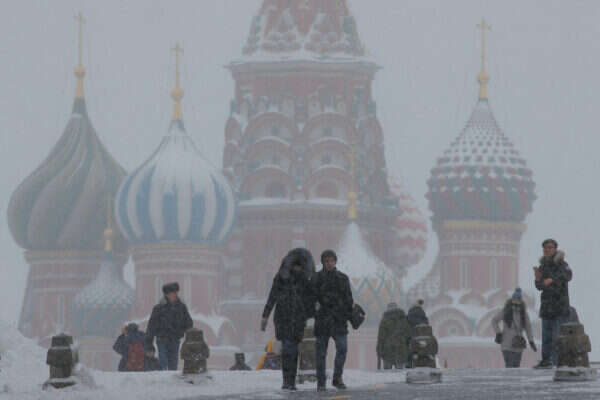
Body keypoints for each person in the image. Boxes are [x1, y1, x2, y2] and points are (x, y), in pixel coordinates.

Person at [261, 248, 316, 391]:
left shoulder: (305, 281)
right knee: (287, 349)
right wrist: (265, 315)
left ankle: (290, 380)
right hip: (283, 318)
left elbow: (312, 300)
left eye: (299, 266)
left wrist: (313, 315)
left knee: (293, 349)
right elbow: (272, 296)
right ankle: (287, 380)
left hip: (298, 319)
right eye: (295, 265)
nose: (297, 268)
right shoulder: (282, 278)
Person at [313, 249, 353, 392]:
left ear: (335, 261)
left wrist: (344, 311)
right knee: (321, 354)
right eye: (326, 261)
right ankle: (321, 381)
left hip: (338, 320)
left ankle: (337, 378)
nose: (329, 263)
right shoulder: (316, 278)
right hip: (322, 321)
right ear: (323, 263)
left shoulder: (342, 278)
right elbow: (311, 298)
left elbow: (349, 299)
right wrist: (316, 307)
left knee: (342, 348)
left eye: (331, 260)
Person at [533, 239, 572, 369]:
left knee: (557, 336)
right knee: (546, 337)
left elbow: (568, 275)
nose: (547, 250)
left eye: (550, 247)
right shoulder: (542, 266)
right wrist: (538, 279)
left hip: (560, 306)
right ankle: (546, 360)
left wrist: (552, 279)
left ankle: (557, 361)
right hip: (546, 306)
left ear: (555, 249)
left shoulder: (562, 264)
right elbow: (539, 286)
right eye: (545, 248)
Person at [146, 282, 193, 371]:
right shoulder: (159, 308)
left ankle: (171, 378)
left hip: (175, 340)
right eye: (173, 292)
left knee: (173, 364)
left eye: (176, 292)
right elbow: (151, 327)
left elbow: (189, 323)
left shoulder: (181, 307)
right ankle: (163, 377)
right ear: (167, 294)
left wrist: (181, 331)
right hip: (162, 339)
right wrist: (149, 345)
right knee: (163, 363)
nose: (175, 294)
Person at [491, 288, 536, 368]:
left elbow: (528, 328)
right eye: (514, 301)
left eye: (517, 301)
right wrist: (498, 333)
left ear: (521, 301)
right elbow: (494, 321)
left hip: (518, 345)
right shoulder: (506, 311)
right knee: (510, 367)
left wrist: (531, 341)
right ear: (512, 300)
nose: (516, 303)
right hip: (507, 345)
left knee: (516, 368)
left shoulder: (523, 313)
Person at [376, 303, 410, 370]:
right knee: (400, 372)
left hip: (387, 350)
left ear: (387, 309)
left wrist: (379, 350)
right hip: (400, 348)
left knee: (387, 373)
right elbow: (408, 334)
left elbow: (381, 337)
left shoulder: (384, 320)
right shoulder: (403, 319)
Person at [406, 299, 429, 368]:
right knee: (419, 347)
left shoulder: (411, 311)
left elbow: (410, 321)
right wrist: (422, 324)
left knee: (411, 348)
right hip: (419, 333)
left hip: (413, 333)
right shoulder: (420, 311)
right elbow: (425, 321)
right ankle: (419, 362)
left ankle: (409, 363)